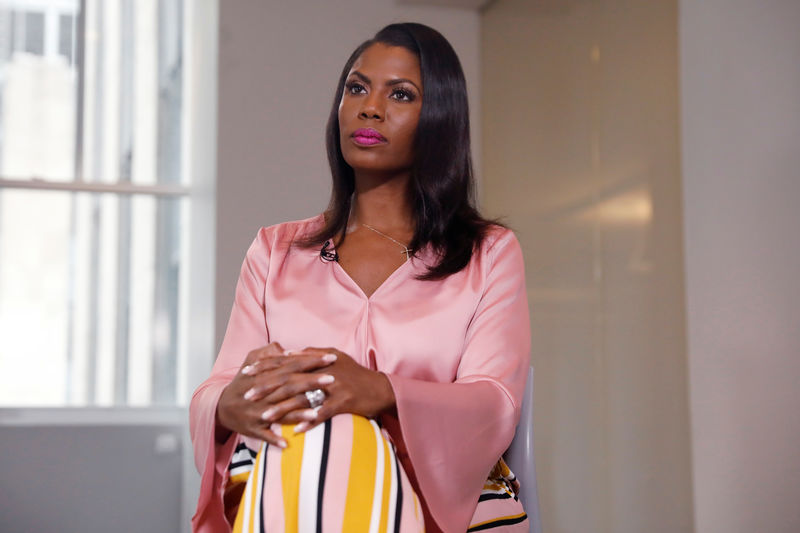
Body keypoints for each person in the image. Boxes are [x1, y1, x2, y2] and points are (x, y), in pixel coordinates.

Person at [190, 22, 531, 533]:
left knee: (339, 435)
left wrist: (380, 391)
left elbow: (493, 401)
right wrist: (227, 403)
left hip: (435, 501)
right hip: (286, 482)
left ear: (438, 116)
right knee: (321, 439)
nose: (370, 108)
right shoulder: (274, 250)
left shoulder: (487, 254)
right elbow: (216, 388)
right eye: (357, 87)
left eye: (400, 94)